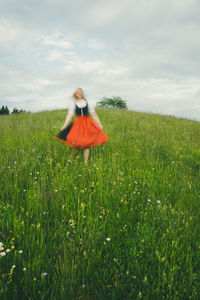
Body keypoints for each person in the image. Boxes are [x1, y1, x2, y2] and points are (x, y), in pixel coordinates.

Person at [54, 87, 109, 164]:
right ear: (75, 94)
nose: (80, 93)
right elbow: (69, 115)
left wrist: (99, 123)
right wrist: (64, 125)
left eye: (81, 92)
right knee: (76, 142)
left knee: (87, 143)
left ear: (82, 93)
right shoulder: (73, 103)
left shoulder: (87, 102)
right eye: (78, 92)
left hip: (88, 124)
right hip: (78, 124)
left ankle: (85, 162)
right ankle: (73, 158)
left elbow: (93, 114)